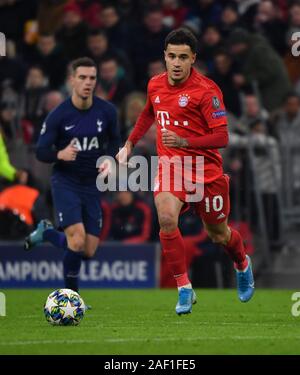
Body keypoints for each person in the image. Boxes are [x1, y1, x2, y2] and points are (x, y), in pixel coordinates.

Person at [117, 28, 254, 315]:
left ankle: (242, 262)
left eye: (182, 57)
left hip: (206, 172)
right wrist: (130, 143)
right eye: (171, 56)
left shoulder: (207, 91)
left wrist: (184, 141)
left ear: (193, 58)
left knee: (219, 234)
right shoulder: (155, 85)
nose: (176, 63)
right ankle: (184, 288)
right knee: (166, 218)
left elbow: (222, 137)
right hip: (172, 167)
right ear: (164, 57)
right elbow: (148, 113)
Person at [24, 57, 120, 295]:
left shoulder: (107, 111)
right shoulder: (59, 115)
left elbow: (115, 140)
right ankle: (72, 298)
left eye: (92, 78)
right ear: (72, 81)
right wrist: (61, 153)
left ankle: (46, 233)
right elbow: (41, 151)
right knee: (76, 241)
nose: (88, 83)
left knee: (87, 251)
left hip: (91, 184)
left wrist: (108, 159)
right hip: (66, 182)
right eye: (82, 78)